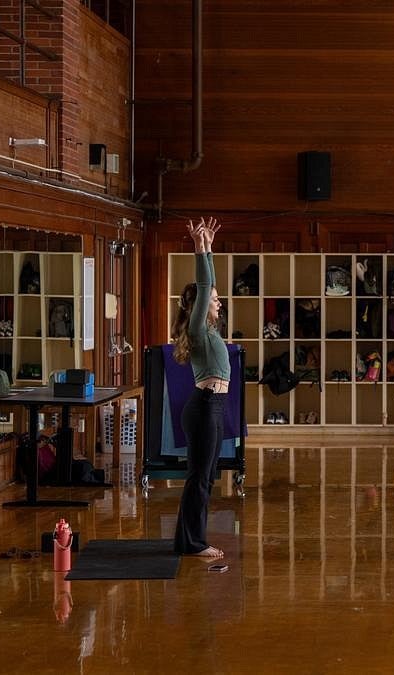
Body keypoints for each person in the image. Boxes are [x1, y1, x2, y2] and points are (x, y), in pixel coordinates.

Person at [171, 217, 228, 559]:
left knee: (206, 478)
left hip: (214, 407)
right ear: (201, 306)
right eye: (215, 300)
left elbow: (210, 283)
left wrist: (209, 247)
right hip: (204, 406)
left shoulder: (210, 331)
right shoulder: (197, 330)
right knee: (199, 479)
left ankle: (191, 541)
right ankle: (193, 543)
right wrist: (198, 248)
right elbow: (206, 286)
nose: (219, 303)